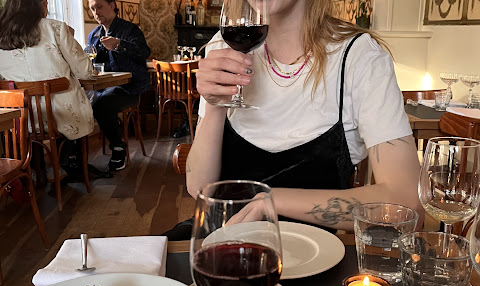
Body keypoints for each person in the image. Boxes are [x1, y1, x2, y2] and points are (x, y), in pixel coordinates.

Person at [177, 0, 422, 239]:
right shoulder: (223, 47)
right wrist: (215, 104)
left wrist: (270, 201)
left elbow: (408, 207)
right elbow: (199, 187)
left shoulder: (359, 57)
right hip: (219, 242)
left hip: (312, 254)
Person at [0, 0, 94, 176]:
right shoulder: (55, 28)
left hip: (20, 120)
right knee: (80, 105)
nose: (48, 8)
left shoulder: (2, 32)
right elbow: (86, 72)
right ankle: (66, 162)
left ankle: (41, 170)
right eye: (45, 3)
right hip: (62, 116)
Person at [87, 0, 150, 172]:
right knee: (80, 103)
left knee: (101, 105)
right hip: (104, 87)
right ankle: (75, 158)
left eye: (99, 6)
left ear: (112, 5)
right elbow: (91, 61)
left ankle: (118, 147)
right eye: (92, 9)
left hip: (130, 88)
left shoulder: (130, 30)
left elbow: (144, 52)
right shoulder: (94, 35)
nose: (96, 12)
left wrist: (118, 45)